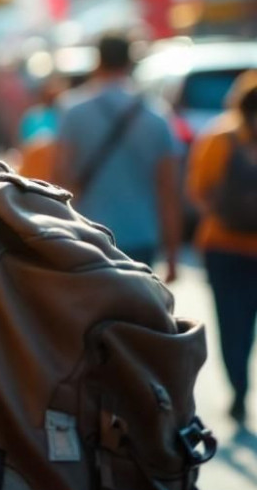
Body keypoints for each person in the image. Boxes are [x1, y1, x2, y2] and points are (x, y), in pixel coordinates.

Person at [54, 33, 182, 279]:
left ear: (98, 61)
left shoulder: (72, 111)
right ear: (129, 63)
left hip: (88, 234)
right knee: (133, 313)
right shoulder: (157, 117)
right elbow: (168, 191)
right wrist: (173, 256)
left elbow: (59, 180)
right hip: (141, 236)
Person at [187, 70, 257, 425]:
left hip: (223, 247)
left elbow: (199, 190)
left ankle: (239, 387)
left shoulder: (219, 137)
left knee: (232, 324)